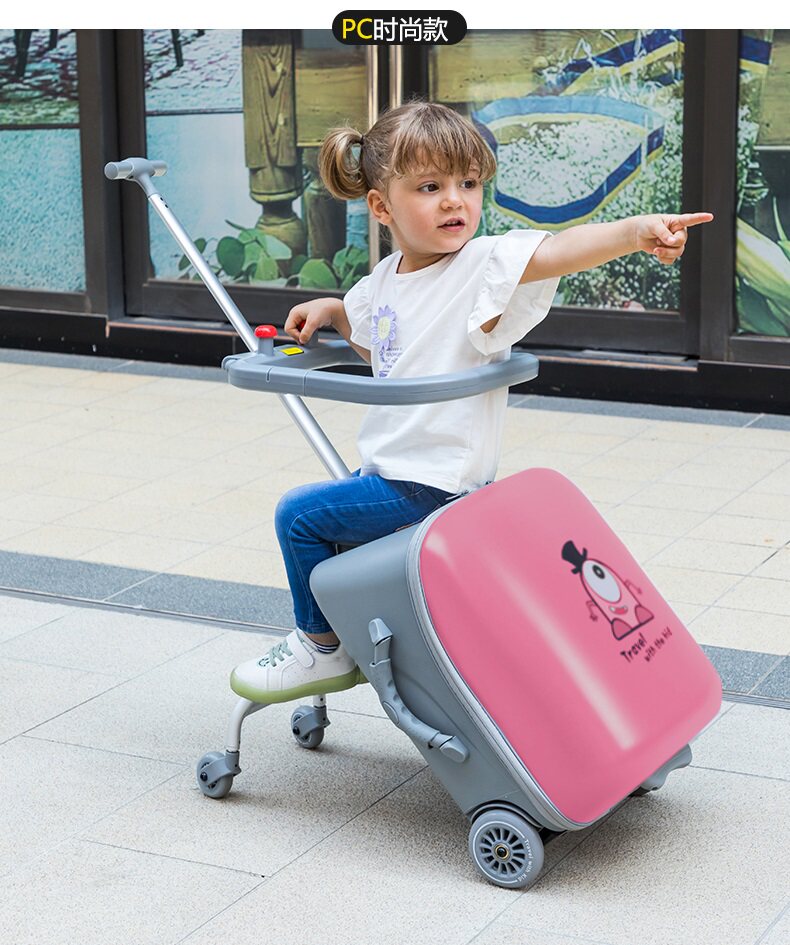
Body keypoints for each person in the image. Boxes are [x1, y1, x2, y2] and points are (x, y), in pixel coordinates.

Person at [230, 100, 712, 704]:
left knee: (299, 517)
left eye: (469, 183)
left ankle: (322, 647)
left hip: (432, 483)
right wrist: (334, 311)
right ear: (381, 206)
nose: (454, 201)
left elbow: (562, 250)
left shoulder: (482, 267)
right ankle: (358, 635)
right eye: (430, 187)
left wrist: (634, 232)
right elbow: (384, 349)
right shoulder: (383, 280)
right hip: (392, 472)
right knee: (335, 534)